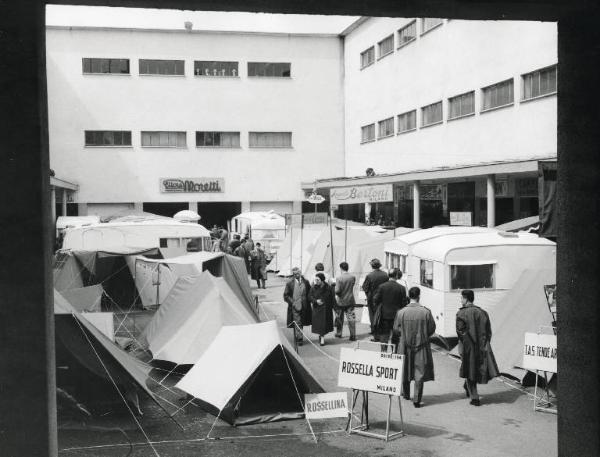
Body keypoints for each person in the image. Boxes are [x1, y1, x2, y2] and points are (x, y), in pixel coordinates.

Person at [392, 286, 436, 408]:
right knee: (419, 372)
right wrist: (423, 335)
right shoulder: (426, 312)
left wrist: (404, 335)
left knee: (405, 369)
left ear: (409, 296)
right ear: (419, 296)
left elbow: (396, 329)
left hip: (404, 345)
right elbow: (431, 329)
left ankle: (406, 394)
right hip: (421, 345)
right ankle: (417, 399)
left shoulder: (401, 312)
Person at [455, 289, 500, 406]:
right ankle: (467, 387)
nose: (461, 300)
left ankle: (475, 398)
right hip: (482, 346)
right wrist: (484, 343)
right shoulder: (483, 313)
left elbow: (460, 332)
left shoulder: (461, 313)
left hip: (467, 347)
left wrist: (466, 344)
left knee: (469, 369)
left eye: (461, 298)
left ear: (465, 299)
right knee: (473, 368)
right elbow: (488, 332)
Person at [372, 268, 408, 351]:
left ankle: (383, 352)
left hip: (384, 315)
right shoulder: (401, 288)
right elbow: (404, 304)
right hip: (396, 316)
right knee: (395, 336)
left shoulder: (382, 286)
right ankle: (394, 352)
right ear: (396, 276)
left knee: (384, 335)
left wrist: (379, 306)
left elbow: (375, 300)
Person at [361, 258, 389, 340]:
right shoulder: (385, 274)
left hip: (372, 299)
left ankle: (376, 335)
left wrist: (368, 295)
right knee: (382, 317)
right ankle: (382, 334)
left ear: (372, 266)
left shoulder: (370, 276)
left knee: (373, 317)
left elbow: (365, 287)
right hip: (383, 299)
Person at [283, 267, 311, 346]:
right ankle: (299, 338)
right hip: (294, 306)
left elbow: (309, 292)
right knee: (297, 321)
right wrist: (293, 302)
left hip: (305, 305)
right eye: (294, 274)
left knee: (301, 321)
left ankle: (298, 335)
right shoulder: (289, 283)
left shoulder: (306, 282)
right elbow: (286, 295)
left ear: (300, 273)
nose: (296, 275)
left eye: (297, 273)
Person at [308, 273, 334, 346]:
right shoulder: (313, 287)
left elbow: (332, 298)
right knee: (320, 325)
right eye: (315, 279)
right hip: (317, 309)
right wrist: (315, 301)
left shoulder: (328, 287)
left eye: (318, 279)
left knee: (324, 325)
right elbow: (309, 296)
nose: (316, 281)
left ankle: (322, 337)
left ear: (322, 280)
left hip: (326, 309)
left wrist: (334, 308)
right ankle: (321, 337)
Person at [334, 261, 357, 341]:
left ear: (341, 268)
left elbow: (337, 291)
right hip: (350, 300)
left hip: (341, 301)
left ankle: (339, 333)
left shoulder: (339, 278)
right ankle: (353, 335)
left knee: (340, 318)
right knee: (351, 318)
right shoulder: (352, 277)